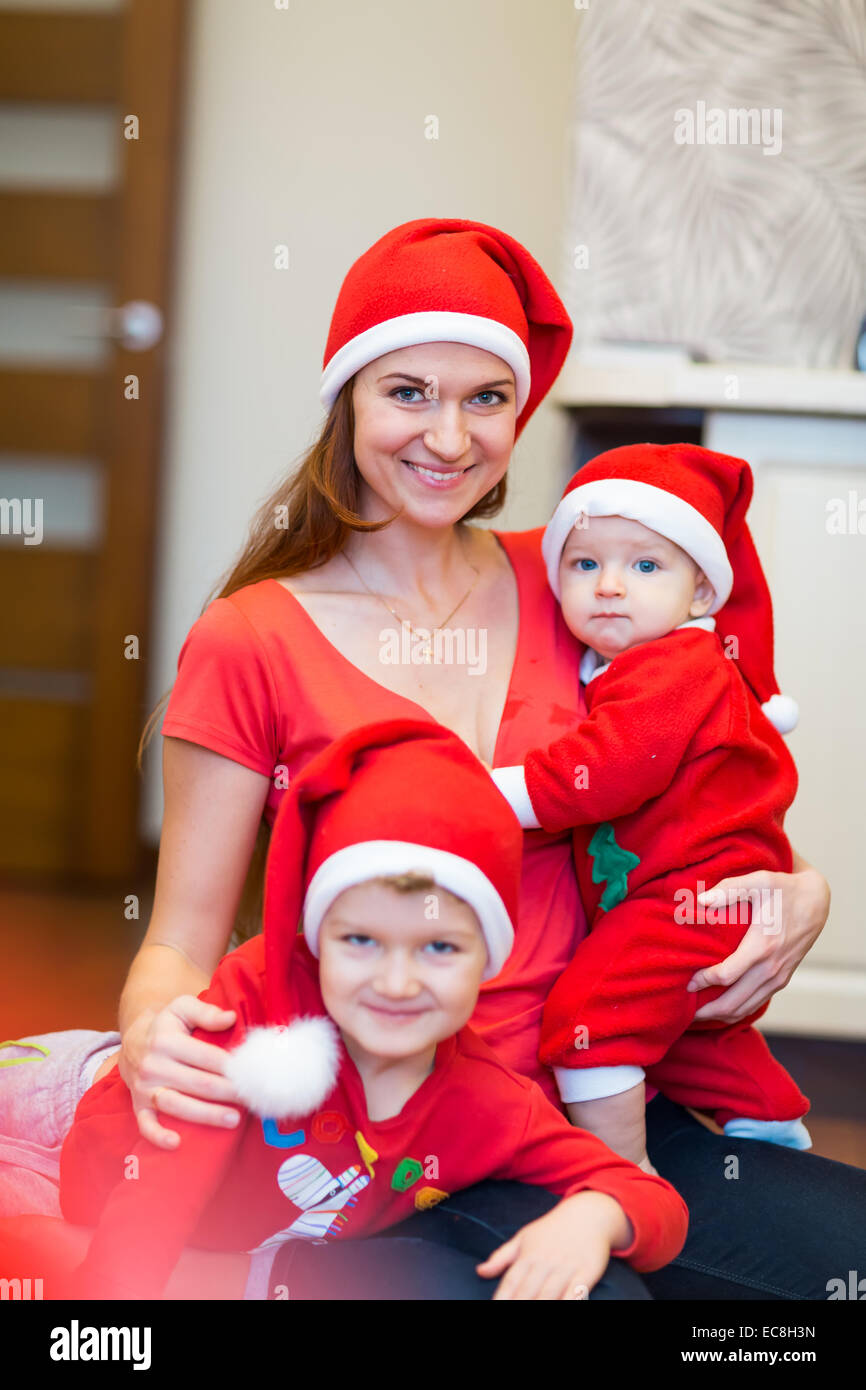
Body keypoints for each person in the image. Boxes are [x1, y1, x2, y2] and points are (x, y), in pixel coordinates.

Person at [0, 218, 857, 1302]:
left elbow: (707, 794)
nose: (448, 438)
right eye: (407, 391)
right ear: (346, 397)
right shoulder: (252, 637)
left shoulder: (578, 583)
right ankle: (301, 1263)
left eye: (485, 398)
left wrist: (803, 893)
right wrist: (151, 1027)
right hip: (391, 1136)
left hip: (599, 1101)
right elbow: (178, 936)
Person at [53, 719, 688, 1302]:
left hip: (232, 1257)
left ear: (488, 959)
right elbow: (159, 1196)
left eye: (439, 947)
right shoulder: (256, 1003)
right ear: (315, 941)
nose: (397, 982)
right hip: (76, 1144)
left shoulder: (487, 1104)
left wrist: (594, 1216)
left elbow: (652, 1198)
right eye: (361, 941)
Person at [491, 441, 813, 1168]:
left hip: (689, 896)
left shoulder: (676, 667)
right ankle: (768, 1129)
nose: (609, 585)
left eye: (644, 566)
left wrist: (481, 792)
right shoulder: (626, 664)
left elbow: (605, 774)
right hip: (693, 893)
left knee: (592, 1020)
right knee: (688, 1031)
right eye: (585, 564)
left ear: (700, 595)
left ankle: (619, 1182)